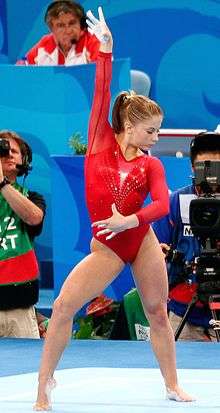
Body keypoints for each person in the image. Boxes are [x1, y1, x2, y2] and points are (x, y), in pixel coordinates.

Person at [34, 8, 193, 410]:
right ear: (127, 126)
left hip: (139, 241)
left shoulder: (150, 163)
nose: (156, 138)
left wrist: (131, 220)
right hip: (107, 247)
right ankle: (43, 387)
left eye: (158, 130)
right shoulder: (100, 141)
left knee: (158, 312)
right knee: (64, 307)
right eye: (151, 130)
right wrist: (106, 51)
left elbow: (160, 204)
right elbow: (103, 92)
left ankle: (173, 384)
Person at [153, 132, 220, 341]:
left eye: (217, 167)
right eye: (204, 166)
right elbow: (154, 248)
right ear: (192, 168)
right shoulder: (176, 201)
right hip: (184, 312)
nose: (211, 174)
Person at [0, 130, 46, 338]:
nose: (9, 153)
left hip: (20, 306)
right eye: (3, 150)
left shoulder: (32, 197)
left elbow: (34, 217)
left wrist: (2, 184)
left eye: (14, 151)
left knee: (26, 370)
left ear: (24, 160)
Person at [16, 0, 100, 66]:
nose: (68, 30)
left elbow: (106, 75)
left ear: (80, 24)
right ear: (51, 29)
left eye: (72, 23)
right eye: (60, 25)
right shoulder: (45, 44)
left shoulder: (92, 41)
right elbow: (21, 69)